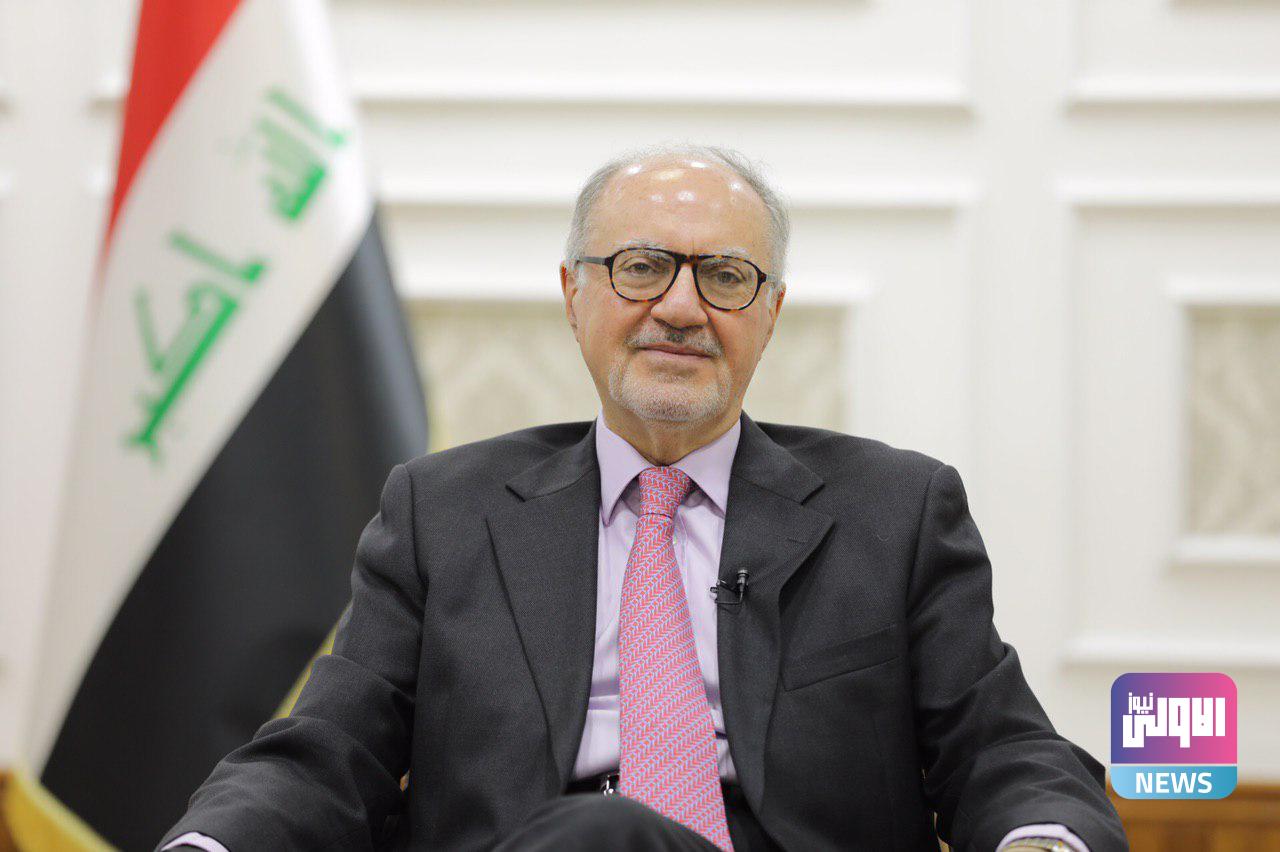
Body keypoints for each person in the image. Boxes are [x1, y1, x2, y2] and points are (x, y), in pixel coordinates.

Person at [160, 144, 1127, 851]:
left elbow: (1001, 747)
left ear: (770, 314)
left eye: (726, 277)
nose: (681, 307)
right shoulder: (443, 513)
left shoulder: (895, 512)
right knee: (601, 838)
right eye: (641, 267)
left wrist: (1044, 838)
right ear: (573, 294)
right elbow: (330, 748)